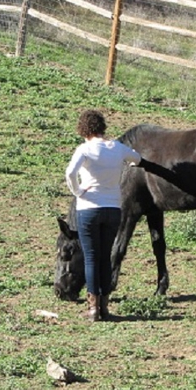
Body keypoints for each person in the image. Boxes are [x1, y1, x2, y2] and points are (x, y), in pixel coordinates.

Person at [65, 109, 143, 322]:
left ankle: (93, 308)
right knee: (105, 257)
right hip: (113, 208)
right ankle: (105, 307)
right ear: (102, 127)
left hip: (89, 208)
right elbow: (137, 159)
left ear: (83, 129)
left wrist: (78, 191)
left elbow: (70, 173)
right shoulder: (117, 148)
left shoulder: (84, 149)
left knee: (91, 258)